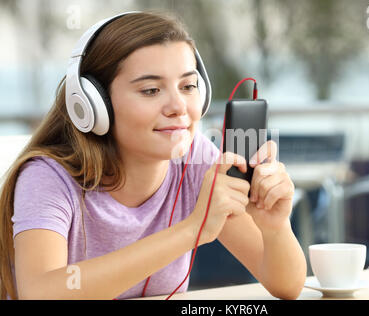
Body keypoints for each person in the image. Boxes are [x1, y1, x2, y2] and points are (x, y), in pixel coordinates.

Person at [0, 11, 306, 300]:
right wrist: (190, 231)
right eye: (150, 90)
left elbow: (287, 286)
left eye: (188, 86)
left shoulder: (196, 159)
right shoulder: (48, 177)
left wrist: (276, 228)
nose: (178, 106)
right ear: (93, 103)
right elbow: (40, 291)